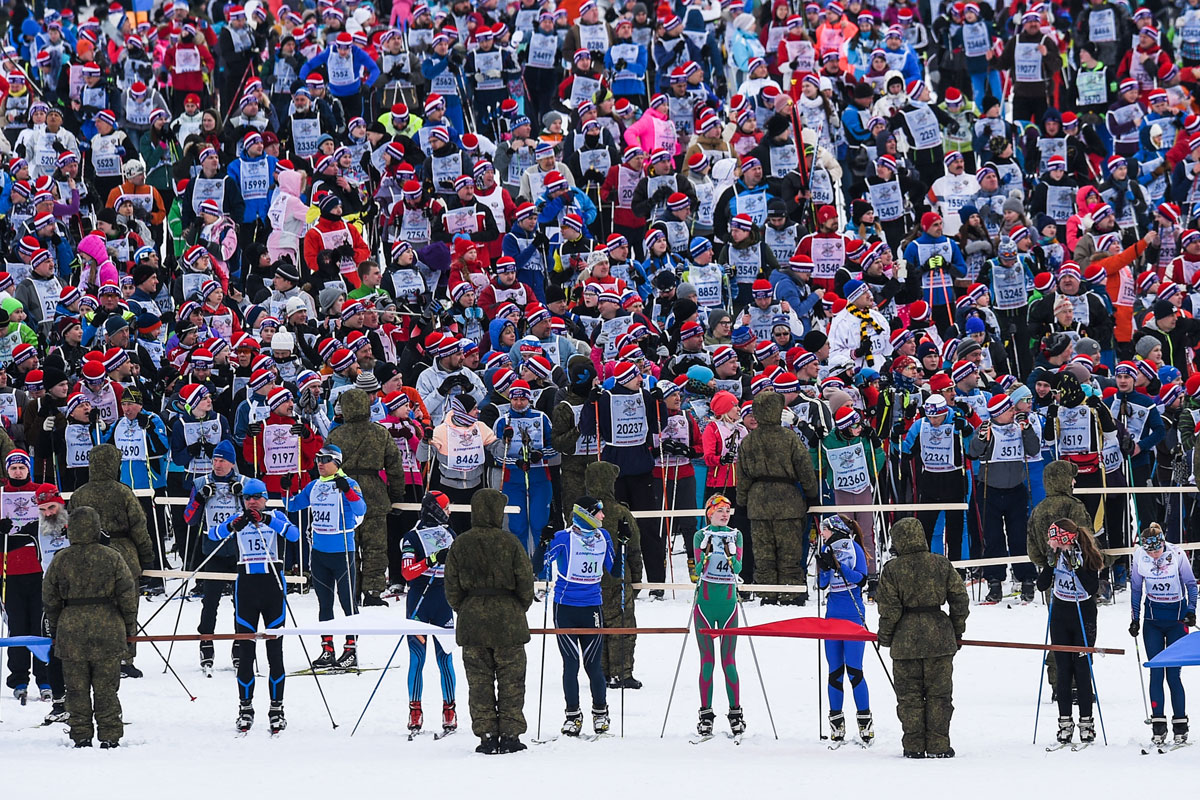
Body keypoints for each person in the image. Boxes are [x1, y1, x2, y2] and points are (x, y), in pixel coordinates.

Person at [444, 488, 535, 755]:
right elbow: (525, 584)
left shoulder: (460, 543)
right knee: (512, 680)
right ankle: (510, 734)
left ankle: (485, 735)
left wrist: (467, 608)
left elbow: (451, 588)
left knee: (479, 681)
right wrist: (516, 608)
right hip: (509, 619)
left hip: (472, 620)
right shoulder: (510, 542)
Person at [207, 478, 300, 735]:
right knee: (246, 655)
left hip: (272, 588)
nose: (252, 502)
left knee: (275, 654)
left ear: (265, 498)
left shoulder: (276, 515)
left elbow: (294, 535)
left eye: (256, 497)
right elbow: (213, 535)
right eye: (247, 498)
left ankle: (276, 709)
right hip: (246, 588)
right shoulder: (240, 518)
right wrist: (231, 525)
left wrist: (268, 520)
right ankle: (245, 708)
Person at [42, 506, 138, 748]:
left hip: (71, 628)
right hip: (108, 627)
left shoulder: (60, 558)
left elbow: (50, 598)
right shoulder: (112, 556)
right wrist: (129, 629)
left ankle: (81, 734)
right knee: (107, 688)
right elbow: (128, 595)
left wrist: (57, 628)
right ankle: (109, 735)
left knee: (75, 688)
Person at [876, 517, 970, 759]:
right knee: (940, 695)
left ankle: (914, 745)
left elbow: (889, 609)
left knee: (909, 697)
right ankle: (939, 744)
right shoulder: (941, 564)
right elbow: (960, 598)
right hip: (939, 636)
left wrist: (885, 636)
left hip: (905, 639)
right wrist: (956, 629)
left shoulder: (892, 569)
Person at [65, 443, 153, 678]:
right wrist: (147, 556)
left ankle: (93, 653)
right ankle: (125, 657)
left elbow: (70, 529)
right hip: (124, 554)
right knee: (127, 608)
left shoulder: (79, 494)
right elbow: (138, 526)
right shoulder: (123, 492)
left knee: (91, 606)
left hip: (86, 558)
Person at [285, 444, 367, 669]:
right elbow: (292, 506)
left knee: (348, 603)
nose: (320, 463)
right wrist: (287, 489)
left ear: (337, 463)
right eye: (318, 459)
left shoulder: (349, 483)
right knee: (324, 604)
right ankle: (327, 650)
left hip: (342, 551)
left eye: (326, 459)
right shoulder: (313, 486)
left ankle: (351, 650)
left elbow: (361, 509)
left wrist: (347, 491)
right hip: (319, 554)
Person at [543, 494, 616, 738]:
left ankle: (600, 712)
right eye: (599, 512)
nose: (603, 516)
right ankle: (572, 715)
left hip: (592, 607)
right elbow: (538, 567)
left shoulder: (603, 537)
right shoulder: (564, 539)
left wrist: (624, 543)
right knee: (571, 664)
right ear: (586, 514)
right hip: (565, 607)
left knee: (594, 665)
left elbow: (614, 570)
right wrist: (545, 542)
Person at [326, 388, 407, 605]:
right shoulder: (380, 433)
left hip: (344, 495)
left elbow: (324, 467)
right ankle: (373, 591)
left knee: (348, 547)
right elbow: (395, 466)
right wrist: (395, 495)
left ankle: (350, 590)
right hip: (374, 496)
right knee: (376, 548)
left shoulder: (335, 435)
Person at [737, 391, 819, 603]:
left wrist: (742, 501)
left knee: (763, 551)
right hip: (787, 501)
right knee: (789, 551)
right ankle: (790, 591)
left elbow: (743, 475)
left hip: (758, 502)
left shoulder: (749, 441)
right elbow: (805, 468)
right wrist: (812, 495)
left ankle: (767, 592)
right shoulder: (789, 438)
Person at [1035, 518, 1104, 748]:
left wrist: (1076, 566)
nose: (1050, 542)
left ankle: (1086, 722)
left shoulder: (1085, 553)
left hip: (1083, 613)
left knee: (1082, 669)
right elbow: (1042, 585)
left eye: (1054, 539)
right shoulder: (1054, 556)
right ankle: (1065, 722)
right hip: (1060, 613)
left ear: (1065, 539)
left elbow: (1093, 588)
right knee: (1063, 670)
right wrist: (1050, 564)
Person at [1129, 522, 1197, 747]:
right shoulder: (1140, 555)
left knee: (1173, 675)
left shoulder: (1176, 553)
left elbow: (1190, 584)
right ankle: (1158, 725)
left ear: (1162, 544)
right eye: (1150, 552)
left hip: (1177, 621)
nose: (1154, 556)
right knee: (1156, 672)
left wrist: (1191, 611)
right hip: (1153, 622)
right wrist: (1135, 619)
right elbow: (1137, 589)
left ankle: (1180, 725)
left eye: (1157, 551)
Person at [399, 491, 459, 737]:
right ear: (435, 510)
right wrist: (433, 559)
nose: (449, 513)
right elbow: (407, 572)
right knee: (417, 658)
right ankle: (415, 710)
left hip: (442, 602)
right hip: (418, 603)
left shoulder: (451, 535)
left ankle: (450, 709)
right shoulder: (411, 537)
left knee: (445, 658)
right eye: (446, 508)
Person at [691, 494, 745, 739]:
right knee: (707, 662)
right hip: (704, 606)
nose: (724, 514)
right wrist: (705, 552)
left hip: (728, 606)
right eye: (720, 510)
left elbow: (738, 568)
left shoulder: (736, 535)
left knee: (729, 662)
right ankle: (705, 714)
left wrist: (730, 553)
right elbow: (698, 568)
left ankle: (735, 713)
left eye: (727, 510)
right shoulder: (700, 535)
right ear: (709, 513)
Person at [816, 515, 873, 745]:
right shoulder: (826, 548)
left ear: (834, 530)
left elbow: (861, 579)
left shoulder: (854, 547)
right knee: (835, 671)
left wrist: (839, 566)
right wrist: (824, 567)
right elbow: (822, 585)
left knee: (854, 671)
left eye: (824, 530)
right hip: (832, 616)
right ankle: (836, 723)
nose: (822, 534)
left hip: (852, 615)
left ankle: (865, 722)